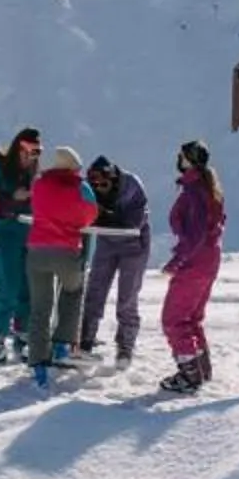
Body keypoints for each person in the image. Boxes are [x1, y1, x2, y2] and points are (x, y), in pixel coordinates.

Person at [23, 145, 97, 386]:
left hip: (36, 251)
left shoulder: (39, 184)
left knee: (40, 308)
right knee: (73, 290)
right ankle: (62, 344)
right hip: (66, 250)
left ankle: (38, 364)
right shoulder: (80, 187)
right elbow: (89, 216)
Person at [158, 140, 227, 394]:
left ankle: (189, 375)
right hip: (208, 261)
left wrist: (178, 261)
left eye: (181, 156)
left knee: (174, 320)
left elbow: (195, 234)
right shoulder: (209, 189)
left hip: (195, 262)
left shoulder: (194, 192)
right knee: (191, 318)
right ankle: (200, 368)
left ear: (188, 159)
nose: (178, 159)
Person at [78, 154, 150, 365]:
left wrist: (104, 215)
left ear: (114, 178)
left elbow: (133, 222)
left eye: (104, 183)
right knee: (95, 290)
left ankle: (125, 346)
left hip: (133, 244)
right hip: (107, 242)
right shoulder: (90, 189)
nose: (99, 187)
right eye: (95, 184)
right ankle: (85, 340)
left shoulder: (132, 186)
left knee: (127, 296)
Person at [0, 126, 43, 360]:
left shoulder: (34, 172)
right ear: (18, 149)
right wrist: (10, 199)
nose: (32, 157)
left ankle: (22, 335)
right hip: (5, 233)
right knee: (7, 287)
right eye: (29, 151)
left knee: (28, 288)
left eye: (37, 152)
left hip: (30, 233)